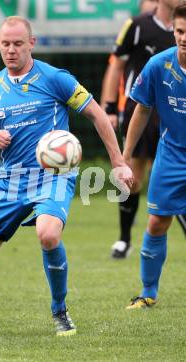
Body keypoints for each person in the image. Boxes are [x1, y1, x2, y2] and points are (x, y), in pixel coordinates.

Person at [0, 16, 133, 337]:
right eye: (5, 44)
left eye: (18, 44)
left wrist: (118, 161)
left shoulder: (55, 78)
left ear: (31, 44)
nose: (11, 50)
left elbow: (97, 115)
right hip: (10, 180)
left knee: (48, 234)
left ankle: (60, 311)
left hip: (54, 174)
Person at [101, 0, 186, 259]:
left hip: (174, 111)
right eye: (179, 32)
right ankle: (124, 239)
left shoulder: (183, 21)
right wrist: (110, 107)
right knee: (133, 178)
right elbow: (116, 64)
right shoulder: (137, 25)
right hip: (143, 108)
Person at [124, 3, 186, 309]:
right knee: (157, 223)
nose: (184, 37)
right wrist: (125, 154)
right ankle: (148, 293)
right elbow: (142, 109)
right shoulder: (158, 65)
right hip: (172, 156)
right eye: (180, 31)